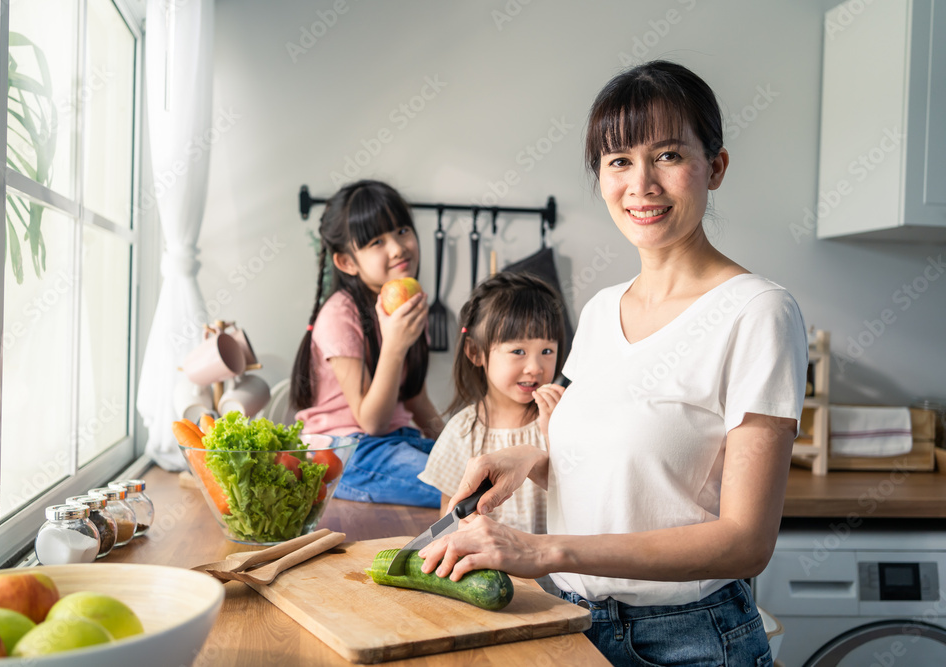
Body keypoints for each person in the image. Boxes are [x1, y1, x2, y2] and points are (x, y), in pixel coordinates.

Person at [417, 61, 807, 666]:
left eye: (670, 155)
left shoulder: (757, 313)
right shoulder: (601, 312)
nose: (641, 183)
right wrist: (533, 460)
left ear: (716, 167)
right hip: (575, 624)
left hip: (690, 639)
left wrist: (545, 552)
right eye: (619, 160)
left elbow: (745, 543)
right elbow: (634, 470)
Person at [291, 180, 443, 508]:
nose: (398, 247)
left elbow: (416, 398)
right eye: (377, 241)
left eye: (402, 230)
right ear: (346, 262)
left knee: (479, 472)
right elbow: (371, 421)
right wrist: (394, 345)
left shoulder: (405, 304)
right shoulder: (339, 314)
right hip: (345, 452)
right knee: (462, 489)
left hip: (395, 441)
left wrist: (455, 444)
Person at [418, 272, 566, 593]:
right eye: (518, 351)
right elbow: (448, 520)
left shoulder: (562, 421)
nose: (535, 367)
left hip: (557, 589)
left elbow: (580, 496)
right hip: (485, 586)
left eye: (547, 351)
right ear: (476, 353)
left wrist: (559, 431)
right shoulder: (462, 431)